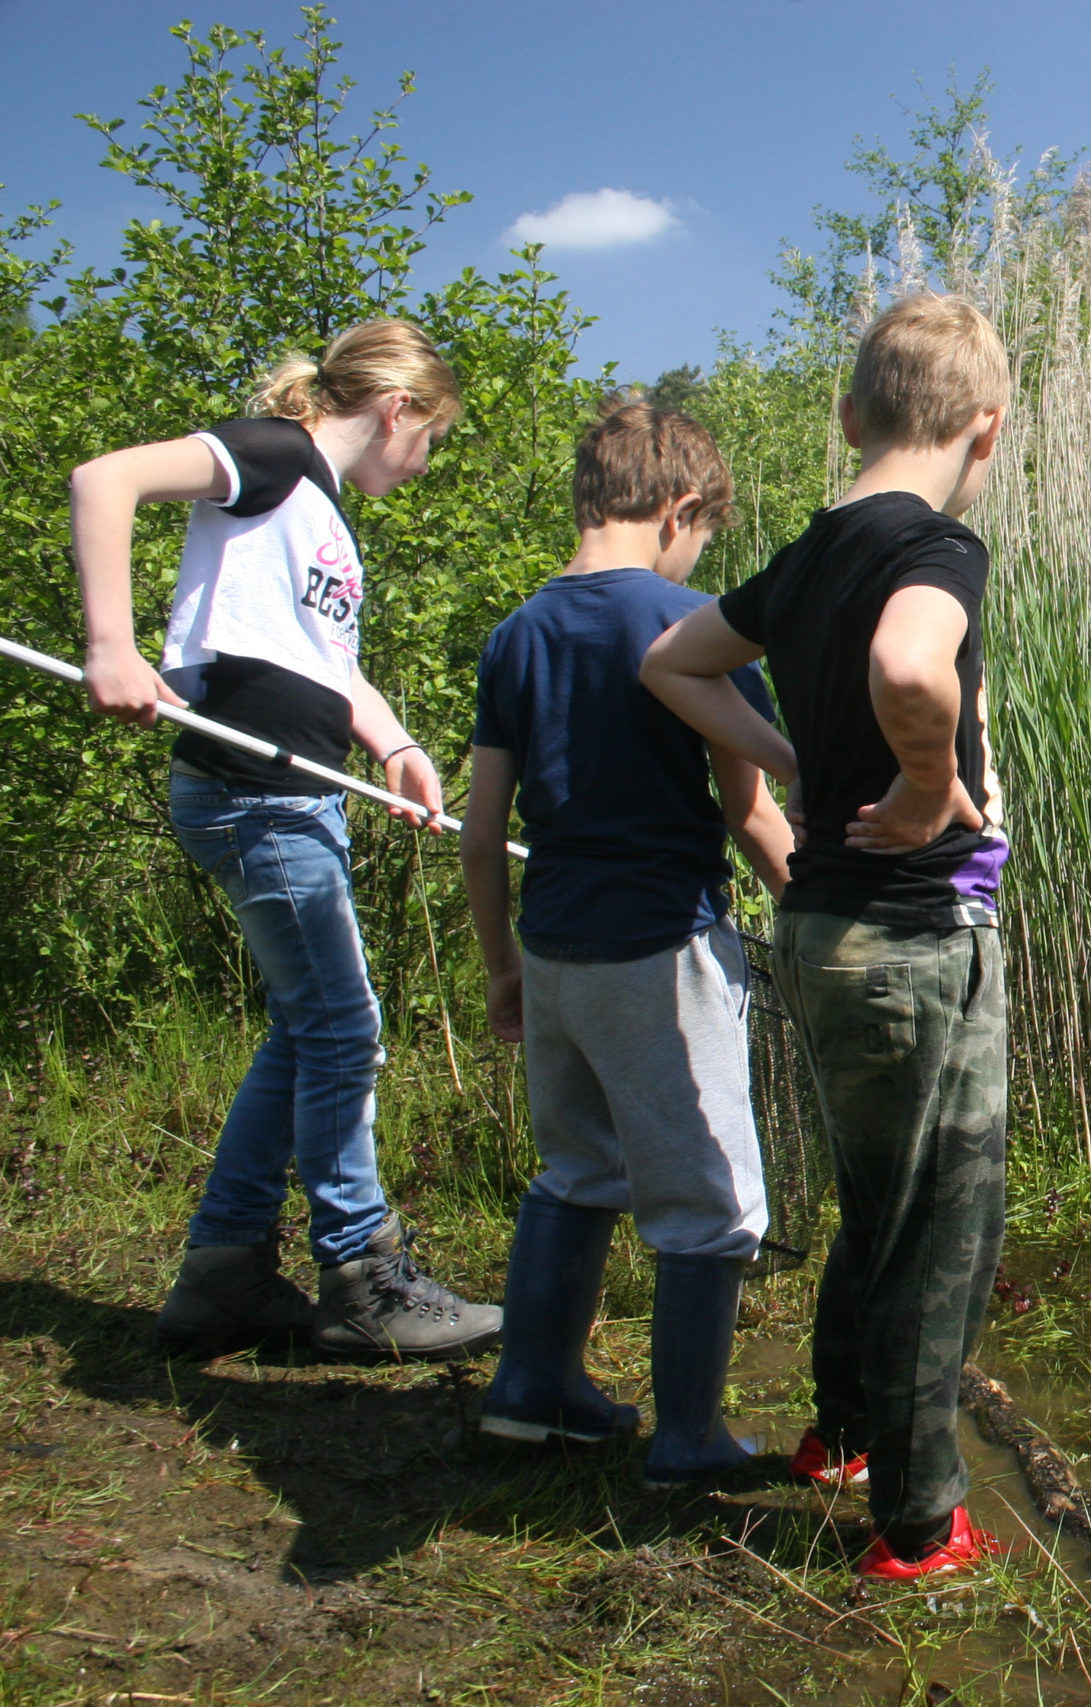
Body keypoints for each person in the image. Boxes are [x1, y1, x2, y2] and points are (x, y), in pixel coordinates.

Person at [642, 291, 1012, 1577]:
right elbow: (915, 668)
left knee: (876, 1202)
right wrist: (920, 783)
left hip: (814, 929)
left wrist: (795, 753)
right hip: (909, 943)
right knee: (937, 1226)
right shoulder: (934, 550)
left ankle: (845, 1435)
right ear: (987, 430)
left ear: (849, 415)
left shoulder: (805, 556)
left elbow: (673, 667)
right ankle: (917, 1526)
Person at [69, 318, 502, 1361]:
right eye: (430, 438)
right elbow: (103, 479)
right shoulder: (273, 457)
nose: (424, 460)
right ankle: (363, 1277)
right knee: (347, 1031)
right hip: (250, 795)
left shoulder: (320, 518)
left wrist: (396, 745)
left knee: (308, 1031)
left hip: (294, 799)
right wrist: (112, 645)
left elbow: (321, 661)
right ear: (400, 410)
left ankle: (221, 1277)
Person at [461, 395, 795, 1485]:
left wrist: (502, 967)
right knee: (710, 1200)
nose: (700, 553)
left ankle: (530, 1386)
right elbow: (748, 812)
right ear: (680, 508)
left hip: (555, 943)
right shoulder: (691, 623)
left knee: (578, 1168)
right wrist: (820, 907)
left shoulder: (518, 632)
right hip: (661, 946)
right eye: (703, 535)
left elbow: (480, 831)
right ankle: (689, 1439)